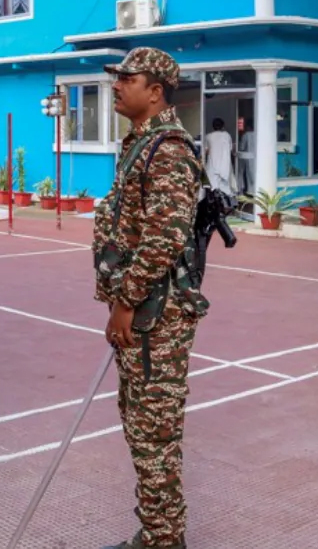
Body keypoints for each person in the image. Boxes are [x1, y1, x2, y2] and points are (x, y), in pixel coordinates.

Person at [94, 47, 207, 549]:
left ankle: (164, 540)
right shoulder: (140, 143)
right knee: (141, 427)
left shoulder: (169, 150)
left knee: (153, 432)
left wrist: (126, 302)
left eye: (127, 78)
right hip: (144, 313)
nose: (116, 85)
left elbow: (164, 236)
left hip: (155, 317)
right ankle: (159, 531)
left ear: (155, 91)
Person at [202, 117, 234, 193]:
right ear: (223, 126)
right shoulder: (227, 135)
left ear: (213, 126)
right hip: (224, 166)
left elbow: (206, 151)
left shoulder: (208, 136)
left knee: (210, 186)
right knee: (225, 189)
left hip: (212, 166)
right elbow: (230, 149)